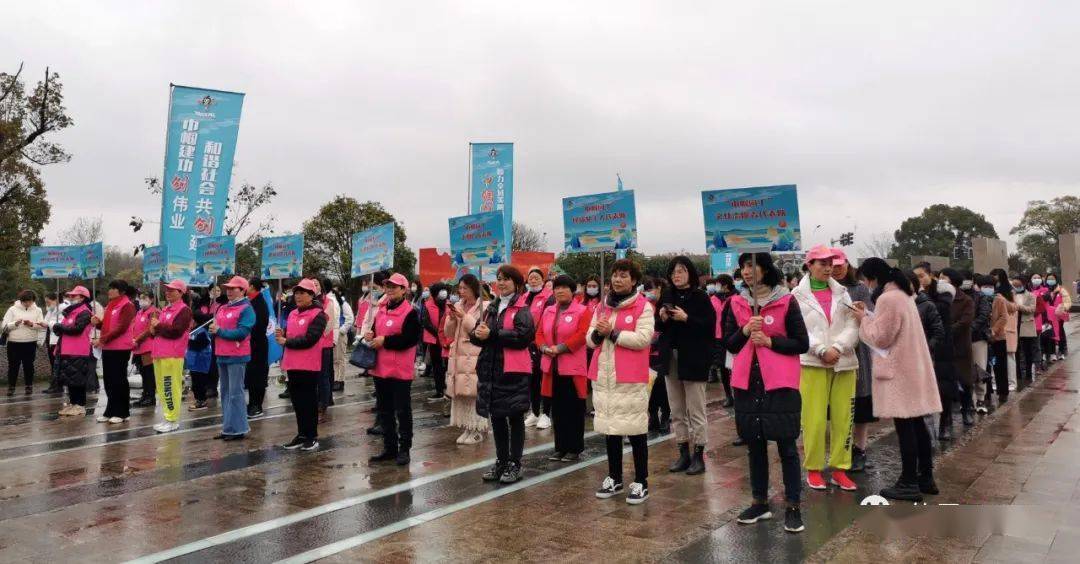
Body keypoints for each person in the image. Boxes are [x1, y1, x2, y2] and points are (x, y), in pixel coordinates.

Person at [725, 252, 809, 533]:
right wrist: (746, 330)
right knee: (755, 446)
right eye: (743, 267)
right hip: (748, 384)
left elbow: (801, 343)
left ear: (765, 268)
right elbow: (730, 344)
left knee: (787, 447)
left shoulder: (786, 301)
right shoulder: (735, 303)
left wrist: (771, 341)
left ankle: (793, 506)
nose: (747, 272)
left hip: (780, 384)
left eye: (752, 265)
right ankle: (759, 502)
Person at [853, 259, 941, 502]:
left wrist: (863, 318)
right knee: (917, 424)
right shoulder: (904, 295)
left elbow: (880, 337)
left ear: (872, 277)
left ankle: (909, 481)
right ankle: (925, 477)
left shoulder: (888, 299)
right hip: (912, 368)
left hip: (899, 371)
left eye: (866, 280)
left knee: (906, 428)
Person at [790, 245, 860, 493]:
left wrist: (839, 347)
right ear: (809, 265)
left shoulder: (843, 293)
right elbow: (799, 329)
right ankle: (814, 470)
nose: (828, 267)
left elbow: (853, 324)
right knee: (814, 419)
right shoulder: (797, 295)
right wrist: (821, 349)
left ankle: (841, 469)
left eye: (831, 263)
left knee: (844, 418)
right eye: (822, 263)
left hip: (844, 362)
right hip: (812, 363)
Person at [589, 259, 655, 504]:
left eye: (623, 275)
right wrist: (598, 333)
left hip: (629, 378)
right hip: (604, 377)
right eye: (615, 275)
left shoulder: (643, 306)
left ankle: (641, 481)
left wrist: (613, 334)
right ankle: (614, 477)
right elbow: (590, 339)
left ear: (634, 280)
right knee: (610, 430)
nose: (617, 280)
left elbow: (643, 338)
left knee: (636, 430)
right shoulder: (601, 307)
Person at [473, 265, 535, 484]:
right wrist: (476, 334)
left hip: (513, 372)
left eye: (506, 279)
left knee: (515, 418)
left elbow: (523, 337)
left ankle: (515, 463)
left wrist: (493, 334)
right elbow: (482, 334)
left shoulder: (522, 309)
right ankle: (501, 461)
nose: (501, 283)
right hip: (492, 370)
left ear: (516, 283)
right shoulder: (491, 307)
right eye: (499, 279)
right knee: (497, 417)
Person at [656, 256, 715, 476]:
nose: (676, 275)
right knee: (676, 409)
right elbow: (657, 324)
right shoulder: (668, 294)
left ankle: (699, 454)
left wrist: (686, 318)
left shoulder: (700, 297)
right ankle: (683, 452)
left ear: (690, 272)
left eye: (680, 271)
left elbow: (709, 326)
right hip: (670, 356)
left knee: (696, 409)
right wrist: (662, 316)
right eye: (673, 272)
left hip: (694, 357)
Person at [366, 273, 422, 466]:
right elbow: (376, 331)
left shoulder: (411, 312)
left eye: (394, 287)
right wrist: (370, 334)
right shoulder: (381, 310)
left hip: (400, 370)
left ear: (404, 290)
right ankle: (389, 448)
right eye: (388, 286)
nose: (390, 289)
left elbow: (410, 339)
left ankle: (404, 448)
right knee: (385, 410)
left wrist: (385, 340)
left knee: (402, 410)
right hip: (381, 368)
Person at [537, 274, 593, 462]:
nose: (559, 291)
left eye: (564, 288)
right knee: (558, 409)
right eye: (557, 288)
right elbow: (539, 333)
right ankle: (560, 447)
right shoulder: (549, 310)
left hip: (572, 367)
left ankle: (574, 448)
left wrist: (560, 349)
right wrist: (544, 347)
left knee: (574, 409)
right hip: (552, 366)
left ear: (572, 291)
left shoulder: (583, 311)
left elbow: (582, 335)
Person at [831, 250, 874, 472]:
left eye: (840, 264)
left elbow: (871, 315)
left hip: (857, 351)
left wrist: (863, 313)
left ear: (847, 264)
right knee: (834, 405)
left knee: (860, 403)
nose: (836, 268)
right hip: (830, 352)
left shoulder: (860, 288)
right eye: (832, 264)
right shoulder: (824, 289)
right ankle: (839, 448)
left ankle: (860, 448)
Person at [276, 279, 327, 452]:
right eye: (296, 293)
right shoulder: (292, 314)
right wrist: (283, 334)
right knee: (297, 402)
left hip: (308, 364)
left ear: (312, 295)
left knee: (309, 402)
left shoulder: (319, 314)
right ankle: (301, 434)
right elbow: (290, 334)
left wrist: (287, 341)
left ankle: (312, 436)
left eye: (302, 293)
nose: (298, 296)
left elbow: (310, 339)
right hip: (292, 363)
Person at [444, 274, 490, 445]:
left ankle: (478, 429)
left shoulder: (485, 306)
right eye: (460, 288)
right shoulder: (458, 305)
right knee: (462, 393)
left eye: (465, 288)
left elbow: (479, 331)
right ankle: (467, 426)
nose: (461, 292)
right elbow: (448, 333)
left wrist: (464, 317)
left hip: (474, 354)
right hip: (458, 355)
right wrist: (451, 319)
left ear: (474, 289)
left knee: (474, 393)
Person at [210, 276, 255, 441]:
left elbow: (242, 333)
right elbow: (217, 329)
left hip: (237, 355)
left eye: (233, 288)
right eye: (228, 288)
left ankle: (238, 428)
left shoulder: (246, 309)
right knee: (225, 392)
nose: (229, 291)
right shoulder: (222, 308)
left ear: (242, 290)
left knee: (235, 393)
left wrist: (219, 331)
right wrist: (213, 330)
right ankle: (228, 427)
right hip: (221, 354)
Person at [149, 280, 192, 433]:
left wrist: (159, 326)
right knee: (161, 388)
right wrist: (153, 329)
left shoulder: (184, 310)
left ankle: (173, 419)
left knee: (170, 387)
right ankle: (167, 417)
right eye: (166, 290)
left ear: (181, 293)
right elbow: (161, 330)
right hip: (159, 353)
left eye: (172, 290)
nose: (168, 292)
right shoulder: (166, 309)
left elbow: (176, 331)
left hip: (172, 355)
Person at [93, 280, 137, 423]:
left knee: (119, 380)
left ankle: (122, 412)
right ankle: (110, 410)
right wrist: (97, 323)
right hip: (108, 348)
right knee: (109, 380)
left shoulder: (127, 305)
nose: (110, 291)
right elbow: (107, 325)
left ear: (122, 291)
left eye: (113, 288)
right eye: (110, 288)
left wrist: (103, 339)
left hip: (120, 348)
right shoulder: (110, 306)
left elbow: (121, 327)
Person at [940, 268, 976, 427]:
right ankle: (945, 421)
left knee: (965, 380)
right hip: (944, 348)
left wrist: (946, 331)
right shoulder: (939, 299)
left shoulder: (966, 300)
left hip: (961, 346)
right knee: (946, 384)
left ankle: (967, 410)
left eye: (943, 278)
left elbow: (965, 322)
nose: (940, 281)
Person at [53, 286, 95, 417]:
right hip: (66, 349)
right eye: (70, 296)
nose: (70, 298)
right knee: (70, 379)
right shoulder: (71, 311)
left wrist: (61, 327)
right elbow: (65, 327)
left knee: (78, 380)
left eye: (73, 296)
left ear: (82, 297)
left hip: (79, 350)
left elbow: (78, 329)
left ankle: (80, 405)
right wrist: (58, 328)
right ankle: (72, 403)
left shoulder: (85, 311)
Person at [524, 267, 553, 429]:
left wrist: (538, 339)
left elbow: (546, 320)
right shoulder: (524, 297)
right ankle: (534, 412)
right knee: (531, 380)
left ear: (542, 280)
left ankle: (546, 414)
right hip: (527, 345)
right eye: (531, 278)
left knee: (545, 379)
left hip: (542, 344)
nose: (533, 280)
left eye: (536, 278)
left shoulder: (549, 298)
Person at [3, 290, 45, 396]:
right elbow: (4, 326)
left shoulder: (38, 310)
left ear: (33, 300)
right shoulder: (12, 309)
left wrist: (31, 324)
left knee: (29, 365)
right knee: (13, 366)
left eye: (29, 301)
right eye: (25, 301)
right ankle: (11, 387)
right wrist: (15, 324)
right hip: (14, 342)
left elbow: (42, 326)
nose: (27, 303)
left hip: (30, 342)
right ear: (21, 300)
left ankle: (29, 386)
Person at [643, 278, 671, 433]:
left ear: (659, 288)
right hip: (647, 352)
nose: (649, 293)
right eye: (646, 290)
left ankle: (665, 416)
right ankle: (652, 415)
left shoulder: (667, 303)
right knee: (649, 386)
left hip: (662, 351)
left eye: (651, 289)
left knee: (662, 384)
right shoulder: (646, 305)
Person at [710, 275, 737, 407]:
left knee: (735, 367)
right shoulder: (713, 299)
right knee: (722, 367)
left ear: (726, 285)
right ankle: (728, 395)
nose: (716, 287)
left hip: (733, 337)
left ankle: (738, 394)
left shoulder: (736, 298)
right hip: (718, 338)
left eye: (718, 284)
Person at [245, 279, 271, 418]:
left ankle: (257, 405)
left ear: (253, 287)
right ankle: (251, 402)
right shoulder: (248, 301)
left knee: (258, 375)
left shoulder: (260, 303)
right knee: (250, 375)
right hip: (248, 344)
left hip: (258, 344)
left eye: (247, 285)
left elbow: (259, 324)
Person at [968, 274, 994, 414]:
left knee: (979, 368)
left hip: (978, 337)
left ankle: (980, 398)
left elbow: (983, 315)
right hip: (961, 339)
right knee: (965, 370)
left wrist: (970, 328)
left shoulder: (980, 296)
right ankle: (968, 400)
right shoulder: (952, 297)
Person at [422, 282, 451, 401]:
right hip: (435, 341)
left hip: (448, 340)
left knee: (449, 366)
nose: (443, 292)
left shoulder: (450, 305)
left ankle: (449, 389)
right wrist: (439, 335)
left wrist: (445, 336)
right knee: (437, 366)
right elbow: (426, 323)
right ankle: (439, 390)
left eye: (444, 290)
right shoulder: (428, 305)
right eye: (441, 290)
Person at [316, 278, 340, 418]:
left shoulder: (328, 302)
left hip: (324, 343)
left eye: (316, 283)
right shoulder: (307, 302)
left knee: (323, 374)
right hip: (311, 345)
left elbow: (330, 324)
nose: (314, 286)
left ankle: (324, 402)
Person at [130, 290, 158, 407]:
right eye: (140, 298)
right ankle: (145, 395)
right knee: (142, 372)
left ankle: (150, 396)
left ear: (151, 299)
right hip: (137, 348)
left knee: (149, 373)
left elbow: (149, 330)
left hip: (148, 347)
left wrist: (137, 340)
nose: (142, 300)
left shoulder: (154, 312)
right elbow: (133, 326)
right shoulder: (139, 312)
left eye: (145, 298)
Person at [1012, 275, 1038, 384]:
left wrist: (1018, 306)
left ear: (1024, 284)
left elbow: (1031, 309)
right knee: (1016, 351)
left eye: (1018, 285)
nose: (1016, 287)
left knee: (1028, 352)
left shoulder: (1031, 295)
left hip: (1026, 326)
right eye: (1014, 285)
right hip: (1014, 325)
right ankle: (1017, 373)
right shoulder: (1011, 295)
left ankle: (1028, 373)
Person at [1044, 273, 1071, 360]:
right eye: (1049, 279)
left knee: (1060, 331)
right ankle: (1051, 352)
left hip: (1059, 315)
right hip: (1048, 316)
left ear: (1056, 280)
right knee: (1050, 333)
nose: (1050, 280)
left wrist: (1063, 308)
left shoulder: (1061, 290)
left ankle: (1062, 350)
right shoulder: (1045, 290)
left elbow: (1067, 301)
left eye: (1052, 279)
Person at [332, 287, 354, 393]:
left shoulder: (343, 304)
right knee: (334, 359)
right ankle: (335, 379)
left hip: (340, 334)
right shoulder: (332, 304)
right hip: (332, 334)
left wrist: (341, 331)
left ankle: (340, 380)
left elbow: (350, 318)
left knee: (340, 359)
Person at [42, 292, 63, 394]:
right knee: (53, 363)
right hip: (50, 338)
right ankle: (54, 385)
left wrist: (48, 323)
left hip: (57, 340)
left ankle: (57, 386)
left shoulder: (61, 309)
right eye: (46, 302)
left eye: (48, 302)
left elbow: (58, 324)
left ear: (56, 300)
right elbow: (45, 322)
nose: (47, 304)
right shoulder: (50, 310)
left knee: (57, 364)